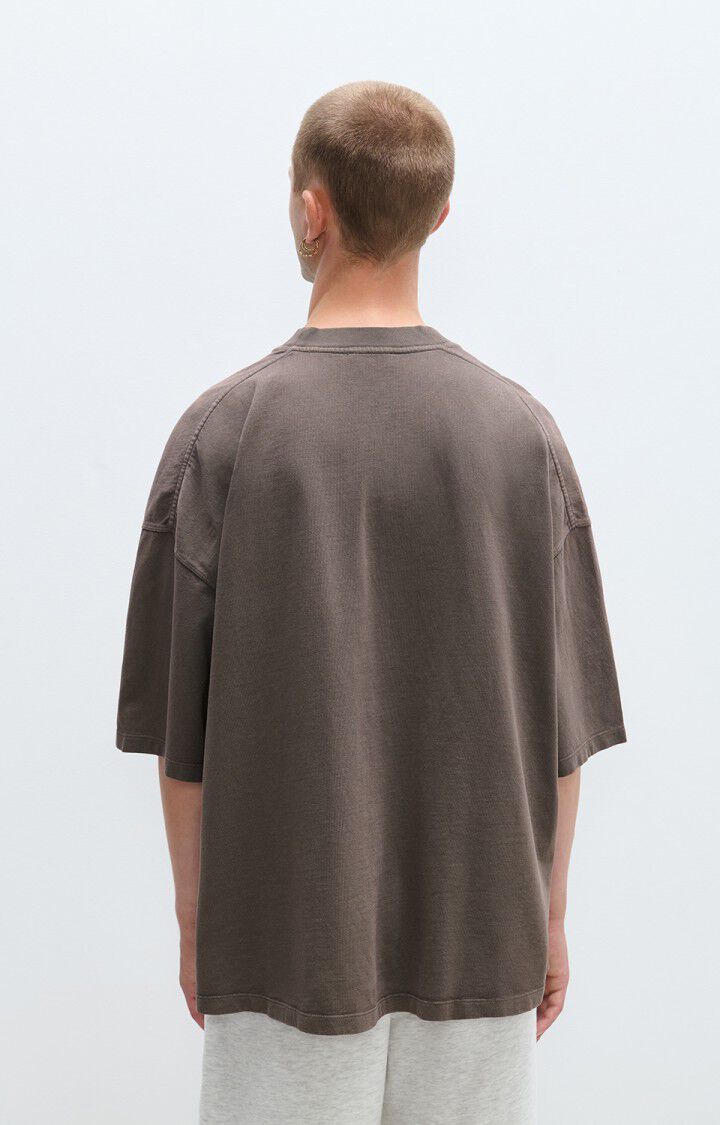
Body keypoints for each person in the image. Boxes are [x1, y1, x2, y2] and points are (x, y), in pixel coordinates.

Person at [116, 81, 626, 1124]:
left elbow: (182, 736)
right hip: (481, 927)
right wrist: (549, 915)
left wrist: (198, 919)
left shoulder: (222, 435)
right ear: (440, 215)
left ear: (312, 209)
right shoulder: (522, 436)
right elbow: (562, 729)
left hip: (283, 939)